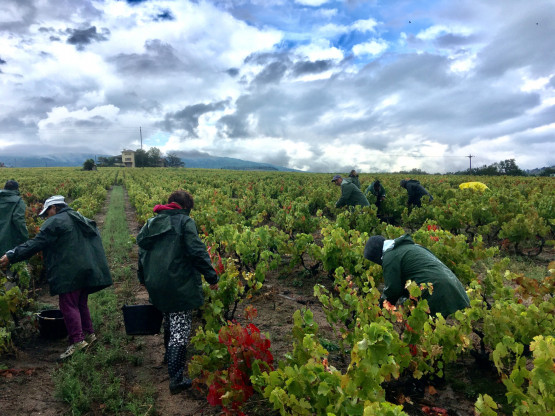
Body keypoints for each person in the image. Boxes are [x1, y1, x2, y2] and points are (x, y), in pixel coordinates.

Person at [0, 195, 112, 360]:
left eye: (47, 213)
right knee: (80, 303)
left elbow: (36, 244)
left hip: (70, 269)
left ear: (55, 208)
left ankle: (77, 341)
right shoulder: (79, 217)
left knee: (67, 305)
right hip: (88, 267)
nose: (46, 217)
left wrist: (12, 255)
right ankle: (89, 335)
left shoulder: (56, 222)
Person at [137, 190, 219, 395]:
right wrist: (212, 277)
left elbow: (142, 253)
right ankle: (176, 377)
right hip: (178, 283)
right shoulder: (184, 222)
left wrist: (143, 278)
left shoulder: (151, 223)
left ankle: (168, 357)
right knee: (180, 328)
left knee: (169, 318)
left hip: (155, 282)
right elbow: (197, 250)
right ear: (185, 207)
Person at [363, 234, 470, 317]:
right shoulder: (412, 247)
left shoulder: (390, 256)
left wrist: (379, 309)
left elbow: (393, 289)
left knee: (421, 333)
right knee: (435, 329)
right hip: (452, 284)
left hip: (433, 289)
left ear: (377, 255)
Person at [0, 180, 28, 257]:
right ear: (16, 189)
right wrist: (26, 238)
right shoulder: (18, 201)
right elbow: (18, 220)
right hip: (9, 240)